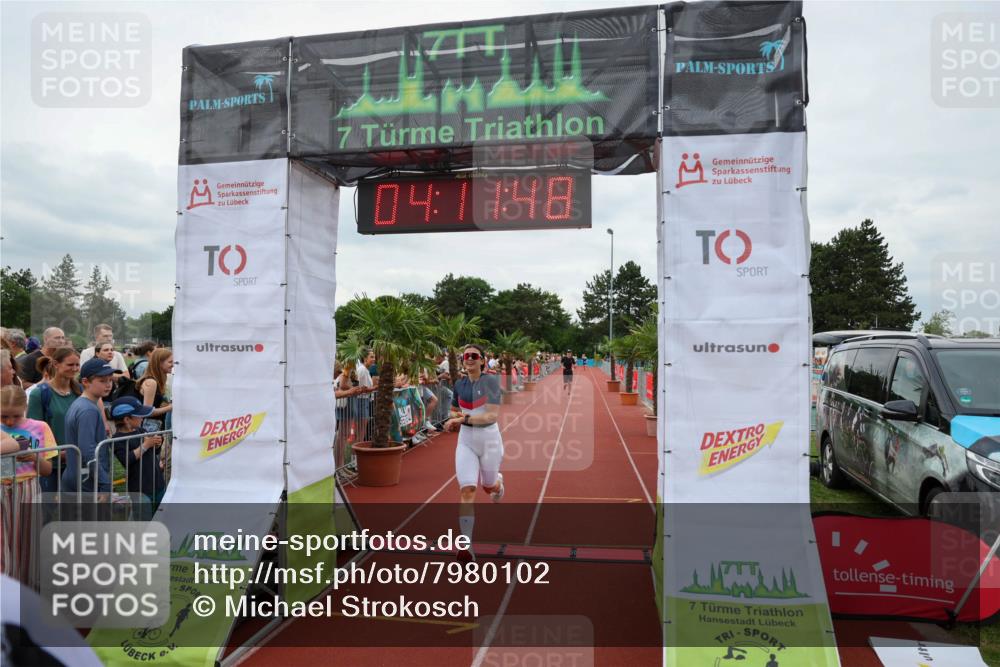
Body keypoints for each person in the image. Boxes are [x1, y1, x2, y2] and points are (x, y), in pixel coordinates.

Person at [443, 344, 505, 562]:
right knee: (468, 489)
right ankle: (466, 545)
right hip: (466, 442)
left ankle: (497, 482)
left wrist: (461, 419)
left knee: (488, 487)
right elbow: (452, 408)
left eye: (473, 356)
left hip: (489, 441)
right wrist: (454, 416)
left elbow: (490, 416)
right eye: (465, 356)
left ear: (482, 360)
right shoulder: (459, 384)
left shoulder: (490, 383)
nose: (468, 359)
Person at [1, 385, 55, 587]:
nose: (9, 422)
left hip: (27, 489)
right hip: (1, 489)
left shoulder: (40, 427)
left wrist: (34, 457)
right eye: (3, 416)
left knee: (27, 544)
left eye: (15, 416)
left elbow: (48, 469)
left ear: (25, 408)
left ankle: (26, 591)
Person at [26, 348, 81, 494]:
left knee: (73, 509)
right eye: (70, 365)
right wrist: (55, 454)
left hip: (76, 462)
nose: (75, 369)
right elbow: (33, 432)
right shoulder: (40, 393)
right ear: (56, 364)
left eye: (77, 365)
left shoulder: (79, 391)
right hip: (50, 465)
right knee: (47, 510)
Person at [61, 358, 115, 494]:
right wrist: (104, 482)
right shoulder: (88, 410)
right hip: (86, 479)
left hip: (78, 475)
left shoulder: (82, 404)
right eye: (102, 381)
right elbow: (88, 450)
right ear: (85, 382)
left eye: (110, 380)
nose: (108, 385)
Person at [109, 396, 166, 516]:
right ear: (127, 420)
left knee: (162, 517)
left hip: (158, 484)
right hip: (140, 490)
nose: (142, 418)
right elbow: (127, 460)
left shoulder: (141, 430)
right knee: (144, 521)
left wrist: (156, 444)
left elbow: (153, 452)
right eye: (138, 415)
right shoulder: (118, 439)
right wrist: (146, 445)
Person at [134, 348, 173, 428]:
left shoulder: (160, 379)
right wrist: (170, 407)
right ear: (159, 363)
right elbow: (147, 411)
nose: (173, 364)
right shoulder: (151, 382)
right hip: (149, 427)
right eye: (170, 362)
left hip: (155, 425)